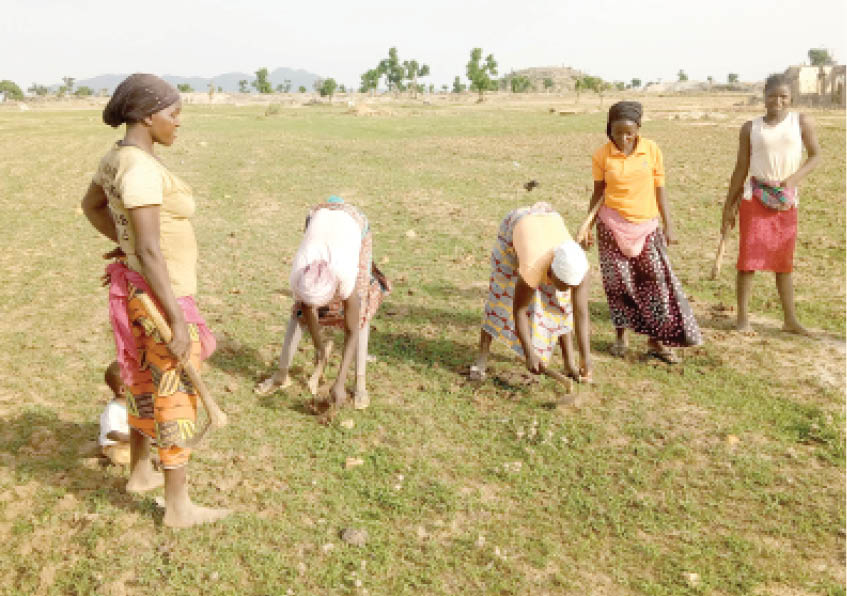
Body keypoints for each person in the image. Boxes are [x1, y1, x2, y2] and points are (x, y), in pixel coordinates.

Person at [81, 73, 229, 528]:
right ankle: (178, 507)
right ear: (148, 116)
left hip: (142, 290)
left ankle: (141, 472)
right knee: (174, 392)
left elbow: (93, 206)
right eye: (173, 113)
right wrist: (178, 320)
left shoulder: (118, 158)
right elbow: (148, 248)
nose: (178, 123)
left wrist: (123, 245)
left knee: (143, 380)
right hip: (163, 297)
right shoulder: (141, 169)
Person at [583, 101, 701, 363]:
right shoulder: (602, 155)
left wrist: (668, 224)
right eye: (617, 133)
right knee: (618, 285)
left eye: (629, 132)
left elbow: (660, 189)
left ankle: (656, 340)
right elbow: (598, 192)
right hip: (611, 226)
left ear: (638, 128)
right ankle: (621, 337)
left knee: (655, 282)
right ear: (609, 129)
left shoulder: (651, 150)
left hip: (647, 226)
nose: (623, 138)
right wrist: (586, 226)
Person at [255, 197, 390, 410]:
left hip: (353, 223)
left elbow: (352, 330)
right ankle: (281, 375)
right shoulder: (299, 273)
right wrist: (319, 346)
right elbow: (306, 308)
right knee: (298, 313)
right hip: (319, 215)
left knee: (360, 314)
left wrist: (340, 382)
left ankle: (360, 384)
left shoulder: (345, 275)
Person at [721, 74, 821, 333]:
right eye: (772, 95)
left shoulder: (800, 122)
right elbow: (740, 167)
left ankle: (790, 320)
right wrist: (728, 206)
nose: (777, 101)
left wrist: (792, 180)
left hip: (786, 200)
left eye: (783, 96)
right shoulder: (751, 128)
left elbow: (815, 155)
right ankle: (743, 318)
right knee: (748, 260)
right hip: (754, 197)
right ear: (764, 97)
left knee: (783, 262)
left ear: (791, 98)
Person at [470, 201, 592, 382]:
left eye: (570, 286)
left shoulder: (580, 267)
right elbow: (519, 310)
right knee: (500, 294)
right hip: (516, 227)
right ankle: (482, 355)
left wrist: (586, 356)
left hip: (548, 222)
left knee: (562, 303)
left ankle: (569, 363)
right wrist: (529, 353)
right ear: (550, 271)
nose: (567, 289)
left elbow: (581, 313)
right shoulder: (533, 265)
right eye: (562, 284)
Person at [99, 361, 131, 466]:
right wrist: (132, 439)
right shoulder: (113, 410)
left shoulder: (132, 404)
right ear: (122, 390)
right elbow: (111, 434)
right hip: (115, 445)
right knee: (120, 455)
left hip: (129, 441)